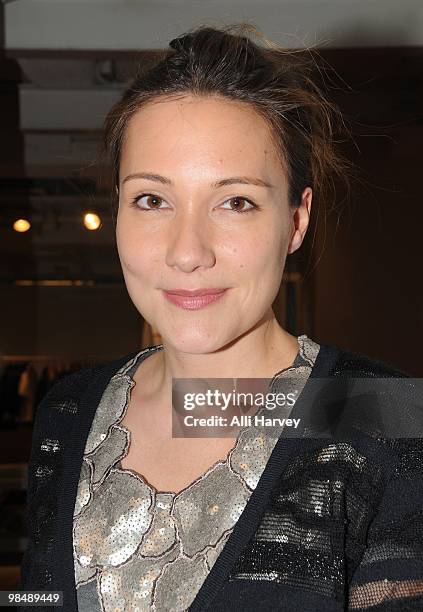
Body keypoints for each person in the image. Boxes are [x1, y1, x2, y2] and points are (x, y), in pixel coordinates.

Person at [19, 24, 423, 612]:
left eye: (236, 202)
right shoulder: (69, 408)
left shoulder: (390, 416)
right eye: (152, 200)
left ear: (296, 221)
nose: (188, 252)